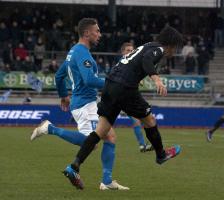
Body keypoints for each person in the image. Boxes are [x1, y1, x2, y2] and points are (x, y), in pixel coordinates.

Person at [63, 25, 183, 190]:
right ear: (170, 44)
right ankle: (161, 155)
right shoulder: (159, 49)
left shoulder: (147, 45)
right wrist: (157, 79)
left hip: (110, 84)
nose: (174, 51)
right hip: (125, 87)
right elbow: (147, 60)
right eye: (175, 47)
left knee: (101, 131)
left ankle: (74, 165)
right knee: (150, 120)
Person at [30, 18, 129, 190]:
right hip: (85, 105)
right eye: (97, 31)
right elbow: (89, 79)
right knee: (90, 142)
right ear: (86, 33)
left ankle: (106, 181)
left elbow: (59, 76)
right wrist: (114, 82)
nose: (99, 34)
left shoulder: (73, 52)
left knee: (110, 136)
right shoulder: (82, 52)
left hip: (86, 103)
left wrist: (63, 96)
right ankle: (50, 128)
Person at [120, 42, 153, 152]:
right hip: (121, 98)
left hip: (129, 98)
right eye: (128, 50)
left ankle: (143, 145)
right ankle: (144, 145)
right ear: (122, 52)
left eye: (132, 50)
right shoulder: (121, 64)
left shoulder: (132, 64)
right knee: (140, 120)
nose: (130, 52)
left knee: (139, 120)